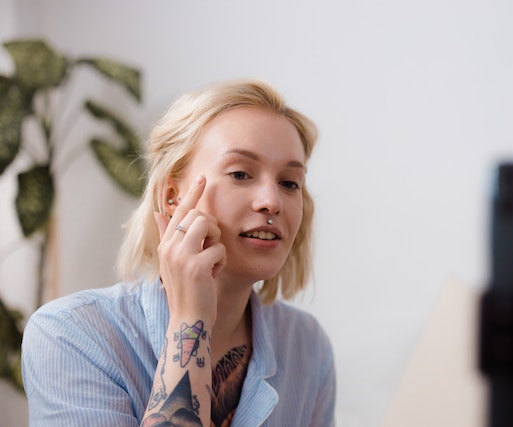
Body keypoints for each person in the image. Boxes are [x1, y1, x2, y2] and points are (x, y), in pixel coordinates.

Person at [21, 79, 336, 426]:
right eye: (241, 173)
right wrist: (191, 319)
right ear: (173, 197)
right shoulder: (71, 335)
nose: (272, 201)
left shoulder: (308, 348)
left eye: (289, 183)